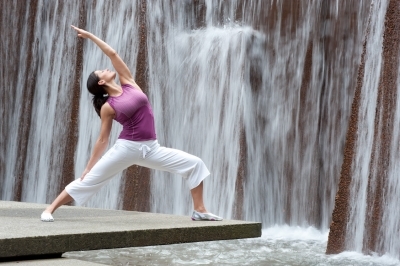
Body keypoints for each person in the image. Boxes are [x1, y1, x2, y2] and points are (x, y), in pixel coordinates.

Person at [40, 25, 222, 222]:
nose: (106, 68)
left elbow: (112, 53)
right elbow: (103, 140)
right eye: (102, 71)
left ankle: (200, 210)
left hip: (151, 148)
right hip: (126, 148)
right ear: (101, 82)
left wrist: (91, 36)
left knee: (195, 164)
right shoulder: (108, 107)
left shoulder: (129, 83)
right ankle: (49, 209)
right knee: (89, 181)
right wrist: (88, 166)